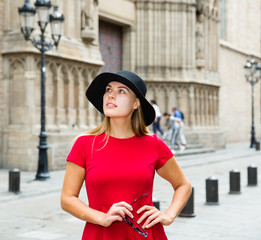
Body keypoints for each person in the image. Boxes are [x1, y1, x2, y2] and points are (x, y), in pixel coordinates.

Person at [61, 70, 192, 239]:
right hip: (100, 234)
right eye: (108, 89)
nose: (111, 95)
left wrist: (168, 215)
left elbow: (183, 185)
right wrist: (101, 217)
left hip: (145, 234)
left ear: (136, 103)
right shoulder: (84, 144)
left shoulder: (153, 144)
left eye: (121, 91)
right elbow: (67, 199)